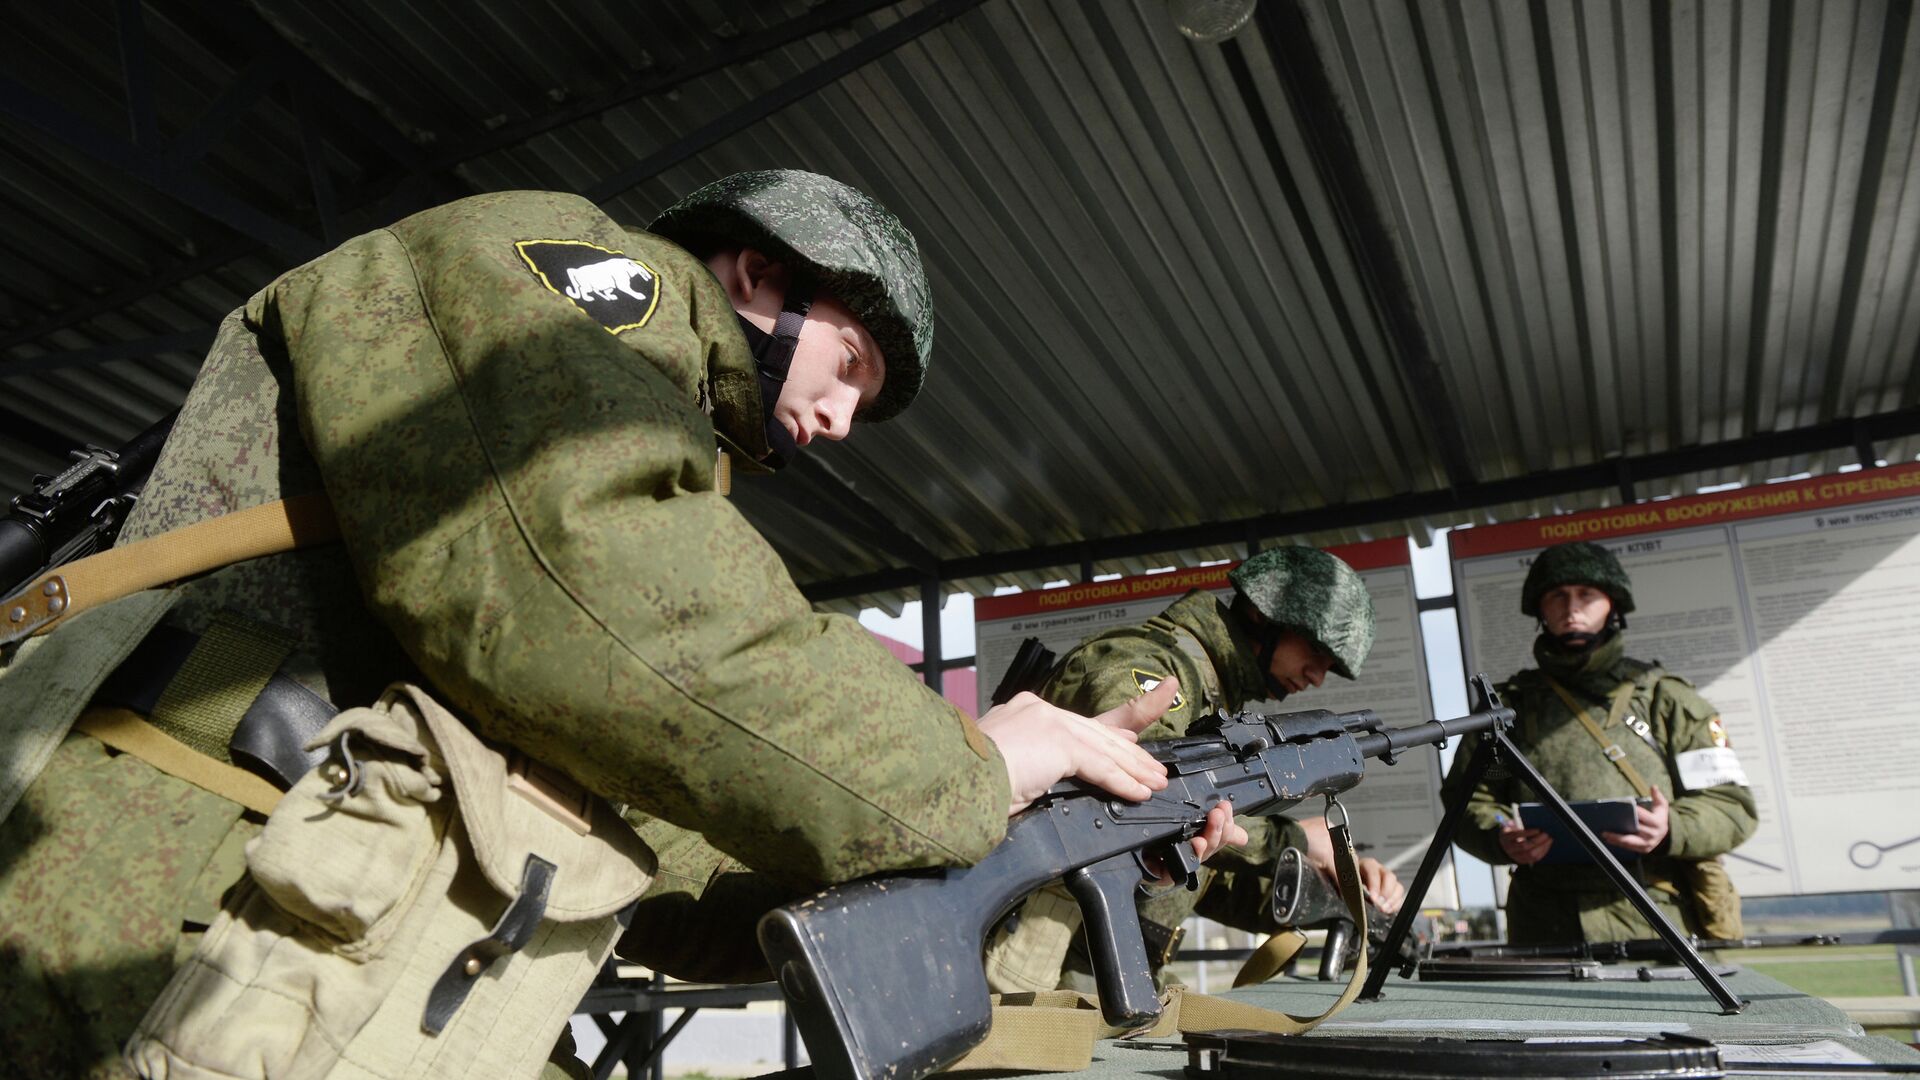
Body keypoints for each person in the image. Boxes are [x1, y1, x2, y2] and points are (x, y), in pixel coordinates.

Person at [0, 171, 1240, 1079]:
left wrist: (974, 862)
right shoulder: (564, 266)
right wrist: (966, 767)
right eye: (852, 367)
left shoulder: (665, 456)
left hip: (278, 902)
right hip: (156, 873)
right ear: (760, 276)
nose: (842, 423)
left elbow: (644, 825)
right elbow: (589, 580)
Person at [983, 545, 1408, 994]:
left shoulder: (1212, 697)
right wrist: (1299, 839)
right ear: (1267, 616)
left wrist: (1332, 894)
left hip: (1095, 970)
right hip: (1035, 967)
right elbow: (1155, 805)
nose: (1318, 676)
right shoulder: (1146, 665)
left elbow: (1198, 870)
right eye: (1316, 651)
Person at [1442, 541, 1757, 945]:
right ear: (1541, 610)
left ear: (1613, 606)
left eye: (1587, 594)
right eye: (1557, 596)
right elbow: (1471, 802)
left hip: (1660, 922)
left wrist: (1670, 827)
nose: (1572, 607)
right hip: (1545, 928)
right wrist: (1503, 833)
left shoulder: (1667, 701)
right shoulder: (1507, 710)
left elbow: (1732, 805)